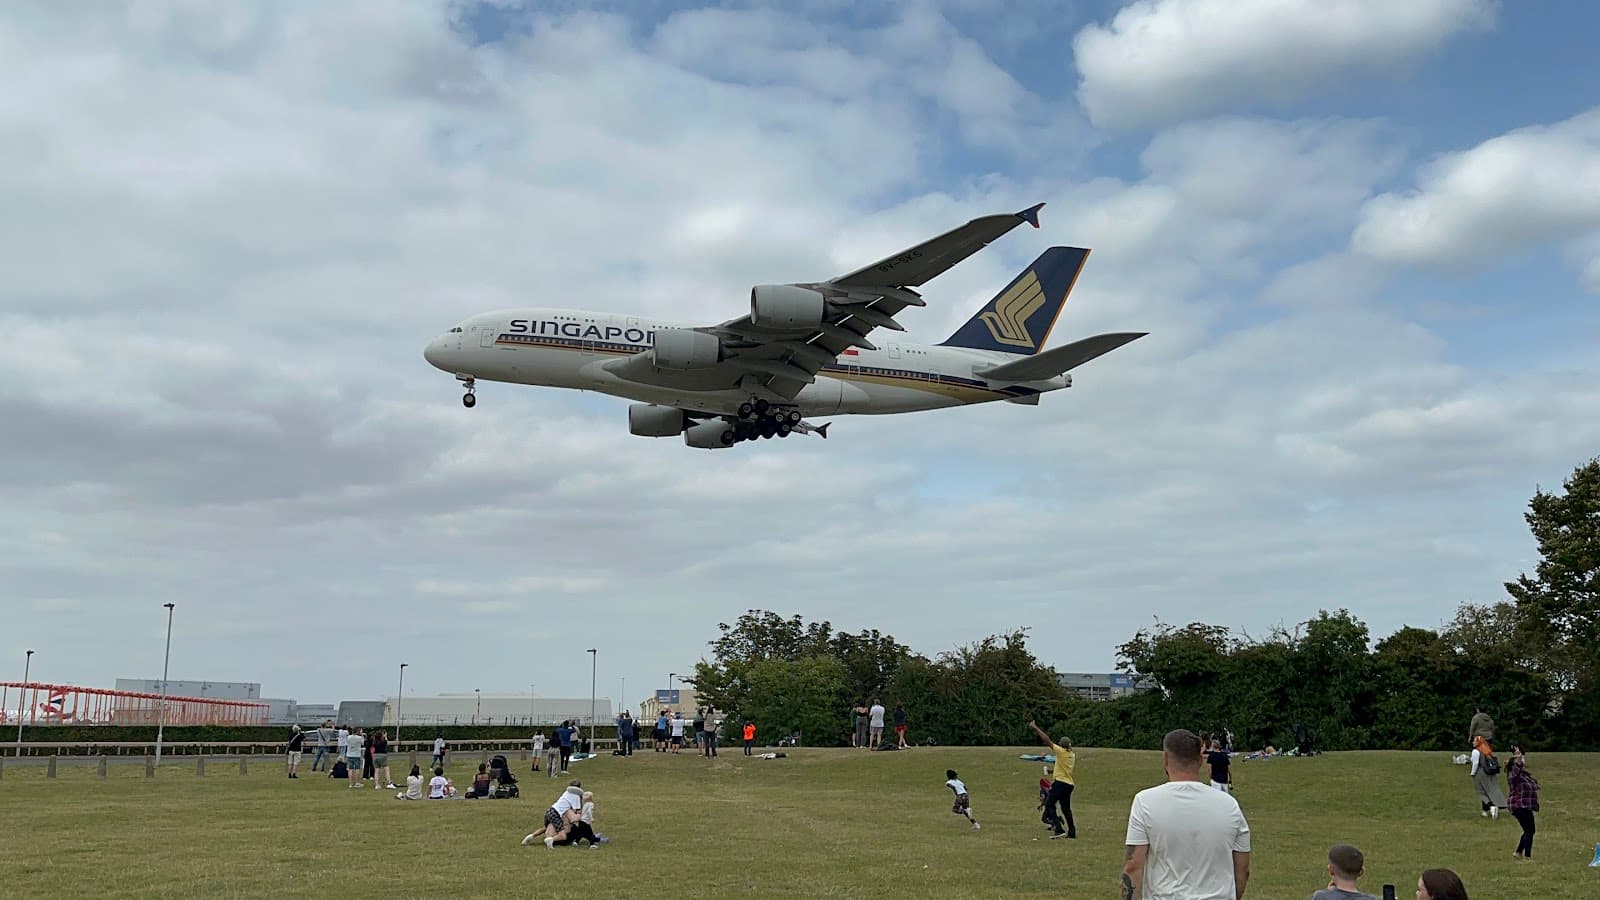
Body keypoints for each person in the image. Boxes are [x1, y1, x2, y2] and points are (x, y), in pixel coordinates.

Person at [1121, 729, 1251, 900]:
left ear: (1166, 759)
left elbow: (1133, 866)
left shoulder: (1145, 802)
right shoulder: (1230, 805)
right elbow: (1242, 869)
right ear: (1200, 761)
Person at [1027, 719, 1076, 839]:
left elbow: (1047, 740)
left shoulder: (1060, 752)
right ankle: (1072, 832)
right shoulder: (1071, 755)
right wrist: (1051, 771)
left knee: (1049, 804)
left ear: (1061, 745)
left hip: (1060, 784)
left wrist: (1035, 727)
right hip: (1068, 784)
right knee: (1066, 809)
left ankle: (1058, 829)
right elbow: (1062, 768)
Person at [1506, 744, 1540, 860]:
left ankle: (1518, 852)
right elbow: (1518, 765)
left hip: (1525, 806)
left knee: (1528, 830)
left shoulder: (1523, 775)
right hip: (1519, 805)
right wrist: (1518, 756)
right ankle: (1527, 856)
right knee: (1530, 831)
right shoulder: (1513, 775)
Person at [1310, 844, 1377, 900]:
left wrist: (1330, 892)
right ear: (1361, 872)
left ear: (1331, 870)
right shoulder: (1371, 899)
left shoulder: (1320, 897)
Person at [1470, 735, 1506, 819]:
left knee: (1481, 792)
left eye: (1474, 741)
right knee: (1489, 790)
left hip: (1481, 773)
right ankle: (1485, 810)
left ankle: (1491, 806)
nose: (1473, 742)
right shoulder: (1486, 749)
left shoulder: (1476, 751)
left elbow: (1475, 763)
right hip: (1490, 773)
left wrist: (1472, 773)